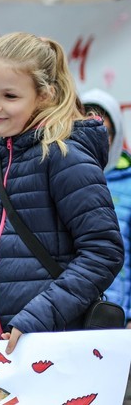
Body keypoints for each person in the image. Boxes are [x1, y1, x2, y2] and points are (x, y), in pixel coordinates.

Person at [0, 32, 124, 355]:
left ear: (44, 95)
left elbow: (103, 252)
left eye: (10, 96)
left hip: (56, 349)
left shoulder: (64, 157)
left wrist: (36, 318)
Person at [80, 89, 131, 326]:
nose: (94, 135)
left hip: (119, 318)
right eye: (82, 125)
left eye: (103, 129)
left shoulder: (128, 183)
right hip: (69, 318)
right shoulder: (56, 177)